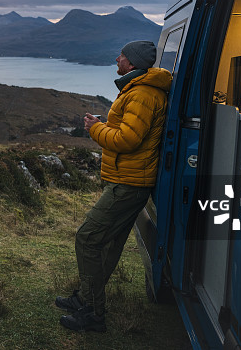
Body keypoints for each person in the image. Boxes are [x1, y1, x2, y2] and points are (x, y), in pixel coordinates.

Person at [56, 40, 172, 333]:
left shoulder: (143, 94)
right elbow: (130, 131)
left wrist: (95, 128)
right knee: (108, 244)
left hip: (128, 184)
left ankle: (93, 313)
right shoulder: (137, 90)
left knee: (87, 238)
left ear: (131, 63)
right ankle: (86, 299)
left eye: (121, 56)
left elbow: (127, 140)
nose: (116, 58)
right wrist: (105, 123)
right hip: (127, 180)